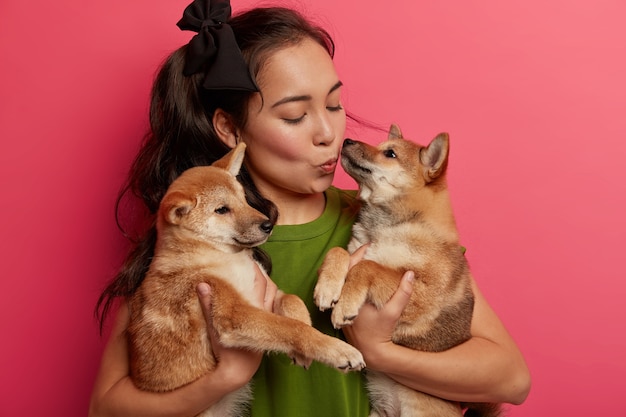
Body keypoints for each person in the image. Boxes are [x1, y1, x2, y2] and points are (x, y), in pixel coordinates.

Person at [89, 0, 531, 416]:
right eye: (295, 116)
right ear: (228, 128)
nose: (328, 132)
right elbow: (106, 407)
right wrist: (224, 377)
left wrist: (380, 352)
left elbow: (509, 380)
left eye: (335, 104)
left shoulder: (385, 229)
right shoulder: (195, 239)